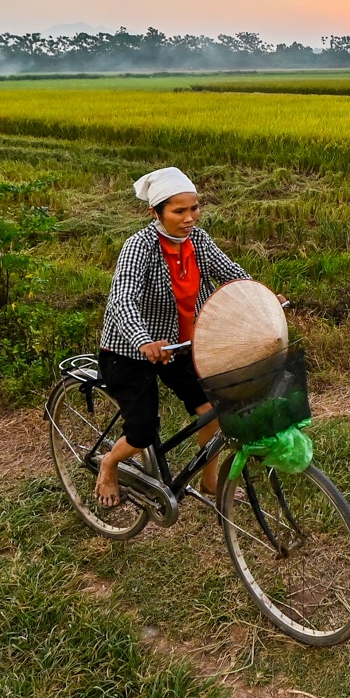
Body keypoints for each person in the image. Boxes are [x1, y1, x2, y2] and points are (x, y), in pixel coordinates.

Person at [93, 166, 281, 507]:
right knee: (142, 432)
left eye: (194, 208)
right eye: (179, 211)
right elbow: (122, 300)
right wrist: (144, 341)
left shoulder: (199, 240)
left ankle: (210, 481)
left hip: (179, 347)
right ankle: (110, 463)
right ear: (155, 213)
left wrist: (262, 297)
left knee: (212, 409)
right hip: (129, 352)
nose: (190, 218)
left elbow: (232, 274)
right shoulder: (139, 247)